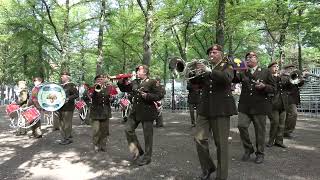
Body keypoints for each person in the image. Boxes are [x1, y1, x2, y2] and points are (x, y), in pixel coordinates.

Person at [190, 44, 237, 180]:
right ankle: (208, 168)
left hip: (221, 109)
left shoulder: (227, 65)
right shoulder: (206, 69)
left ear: (221, 54)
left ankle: (222, 177)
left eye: (215, 52)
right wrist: (194, 72)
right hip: (205, 108)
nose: (211, 54)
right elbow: (194, 83)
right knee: (199, 139)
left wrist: (209, 71)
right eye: (210, 52)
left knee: (221, 144)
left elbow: (227, 78)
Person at [233, 51, 276, 164]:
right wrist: (234, 67)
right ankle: (248, 149)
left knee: (260, 131)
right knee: (241, 126)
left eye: (252, 57)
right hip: (245, 106)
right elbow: (233, 79)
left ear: (257, 59)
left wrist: (264, 86)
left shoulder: (265, 71)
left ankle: (260, 153)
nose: (249, 58)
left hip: (260, 106)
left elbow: (274, 88)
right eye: (247, 57)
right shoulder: (243, 71)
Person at [117, 65, 164, 166]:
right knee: (128, 129)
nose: (137, 72)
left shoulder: (152, 82)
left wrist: (147, 96)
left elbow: (160, 95)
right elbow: (124, 88)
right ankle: (137, 151)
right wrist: (121, 81)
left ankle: (147, 157)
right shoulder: (135, 82)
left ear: (145, 72)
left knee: (148, 136)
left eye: (139, 70)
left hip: (147, 112)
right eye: (137, 70)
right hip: (135, 111)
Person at [266, 62, 290, 148]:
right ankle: (271, 140)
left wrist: (286, 76)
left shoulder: (281, 78)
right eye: (274, 66)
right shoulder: (267, 77)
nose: (276, 68)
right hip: (273, 104)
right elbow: (272, 88)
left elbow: (289, 85)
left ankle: (279, 141)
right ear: (269, 68)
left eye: (277, 66)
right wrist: (277, 76)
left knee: (282, 124)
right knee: (275, 122)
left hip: (283, 103)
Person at [89, 74, 111, 152]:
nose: (100, 80)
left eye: (101, 79)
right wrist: (95, 88)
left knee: (104, 130)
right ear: (96, 80)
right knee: (96, 130)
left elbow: (108, 97)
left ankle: (103, 145)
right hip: (96, 112)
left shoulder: (108, 88)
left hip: (105, 111)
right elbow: (92, 96)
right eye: (98, 79)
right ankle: (96, 144)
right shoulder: (93, 88)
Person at [282, 64, 304, 138]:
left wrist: (301, 78)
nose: (292, 69)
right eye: (290, 68)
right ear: (286, 69)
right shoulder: (283, 76)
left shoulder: (295, 75)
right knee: (293, 114)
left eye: (293, 68)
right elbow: (284, 85)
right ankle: (286, 131)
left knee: (290, 115)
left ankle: (285, 131)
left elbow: (300, 84)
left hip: (294, 98)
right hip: (287, 97)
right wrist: (289, 77)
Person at [57, 71, 79, 145]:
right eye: (61, 76)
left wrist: (68, 98)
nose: (61, 77)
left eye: (63, 76)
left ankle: (68, 138)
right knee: (61, 124)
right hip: (60, 107)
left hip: (68, 107)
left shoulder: (71, 85)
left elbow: (76, 95)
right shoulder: (60, 86)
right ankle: (64, 137)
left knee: (67, 124)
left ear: (68, 77)